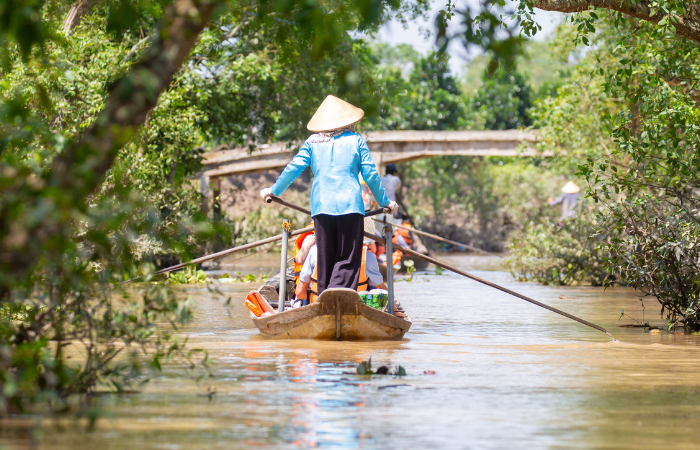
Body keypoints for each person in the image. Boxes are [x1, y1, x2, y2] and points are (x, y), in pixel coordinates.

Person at [260, 95, 398, 298]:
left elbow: (293, 169)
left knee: (325, 258)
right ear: (348, 122)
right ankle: (337, 297)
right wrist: (386, 203)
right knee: (347, 258)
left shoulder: (312, 142)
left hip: (322, 207)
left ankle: (324, 297)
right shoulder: (356, 141)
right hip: (350, 207)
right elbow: (370, 175)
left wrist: (274, 191)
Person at [295, 218, 386, 304]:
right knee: (373, 287)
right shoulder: (368, 257)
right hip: (355, 308)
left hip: (320, 307)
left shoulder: (314, 251)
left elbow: (300, 292)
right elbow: (383, 291)